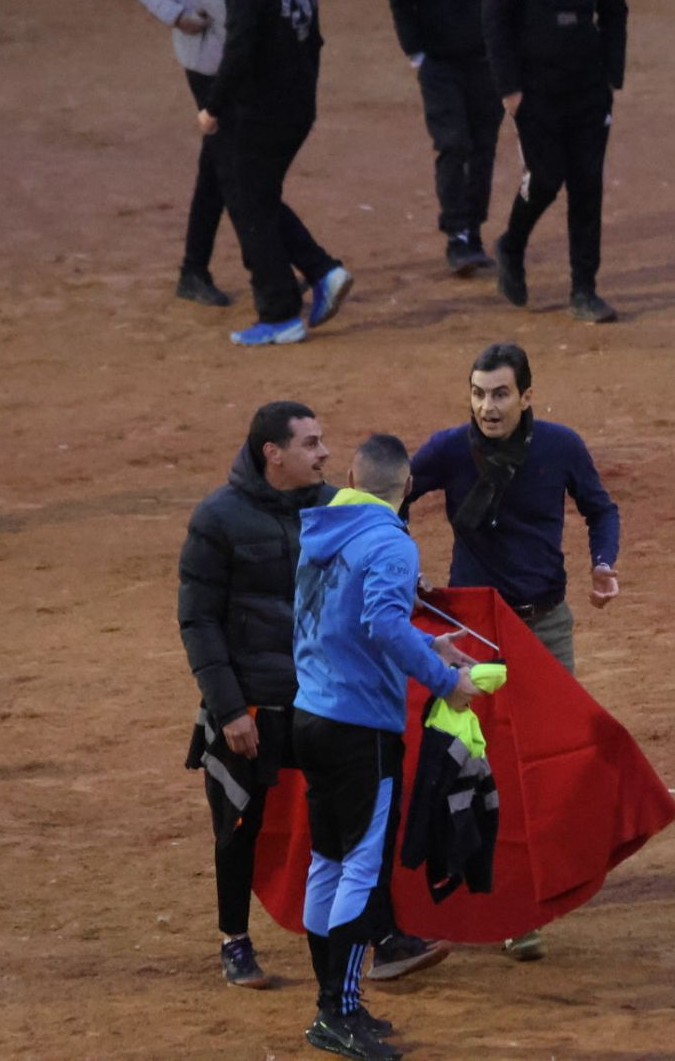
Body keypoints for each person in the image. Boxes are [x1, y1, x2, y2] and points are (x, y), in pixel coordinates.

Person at [178, 403, 448, 989]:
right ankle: (235, 940)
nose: (325, 454)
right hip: (250, 706)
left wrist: (407, 584)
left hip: (319, 701)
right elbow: (198, 622)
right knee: (239, 823)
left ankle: (381, 937)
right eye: (311, 443)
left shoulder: (332, 509)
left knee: (349, 826)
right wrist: (226, 709)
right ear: (273, 453)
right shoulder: (217, 519)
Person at [405, 340, 619, 960]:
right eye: (477, 393)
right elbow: (393, 497)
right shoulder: (449, 449)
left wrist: (603, 564)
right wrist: (402, 568)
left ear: (527, 396)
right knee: (483, 763)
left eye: (500, 394)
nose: (487, 407)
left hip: (545, 628)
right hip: (473, 634)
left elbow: (600, 510)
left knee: (551, 756)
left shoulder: (561, 447)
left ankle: (533, 884)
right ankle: (508, 901)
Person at [293, 434, 481, 1060]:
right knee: (359, 867)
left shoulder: (321, 533)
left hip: (311, 716)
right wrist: (445, 680)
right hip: (359, 729)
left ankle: (334, 1006)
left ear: (350, 475)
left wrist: (431, 648)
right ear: (405, 490)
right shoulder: (391, 541)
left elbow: (349, 622)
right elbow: (380, 622)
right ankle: (337, 1011)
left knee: (327, 862)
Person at [199, 0, 353, 345]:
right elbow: (313, 39)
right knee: (259, 196)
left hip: (263, 110)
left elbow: (241, 45)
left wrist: (213, 107)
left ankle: (280, 312)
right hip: (297, 104)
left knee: (248, 201)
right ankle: (321, 271)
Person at [483, 0, 628, 323]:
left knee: (587, 186)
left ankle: (584, 289)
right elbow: (495, 19)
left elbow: (614, 11)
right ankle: (511, 244)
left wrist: (611, 76)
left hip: (589, 89)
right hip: (534, 91)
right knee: (544, 179)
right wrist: (509, 88)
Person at [387, 0, 505, 276]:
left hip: (488, 57)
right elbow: (400, 0)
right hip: (439, 62)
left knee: (483, 147)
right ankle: (456, 234)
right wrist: (415, 51)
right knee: (453, 143)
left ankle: (472, 230)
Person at [132, 0, 235, 307]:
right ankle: (271, 270)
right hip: (211, 55)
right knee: (232, 160)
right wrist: (174, 14)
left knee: (227, 160)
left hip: (250, 48)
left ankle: (202, 269)